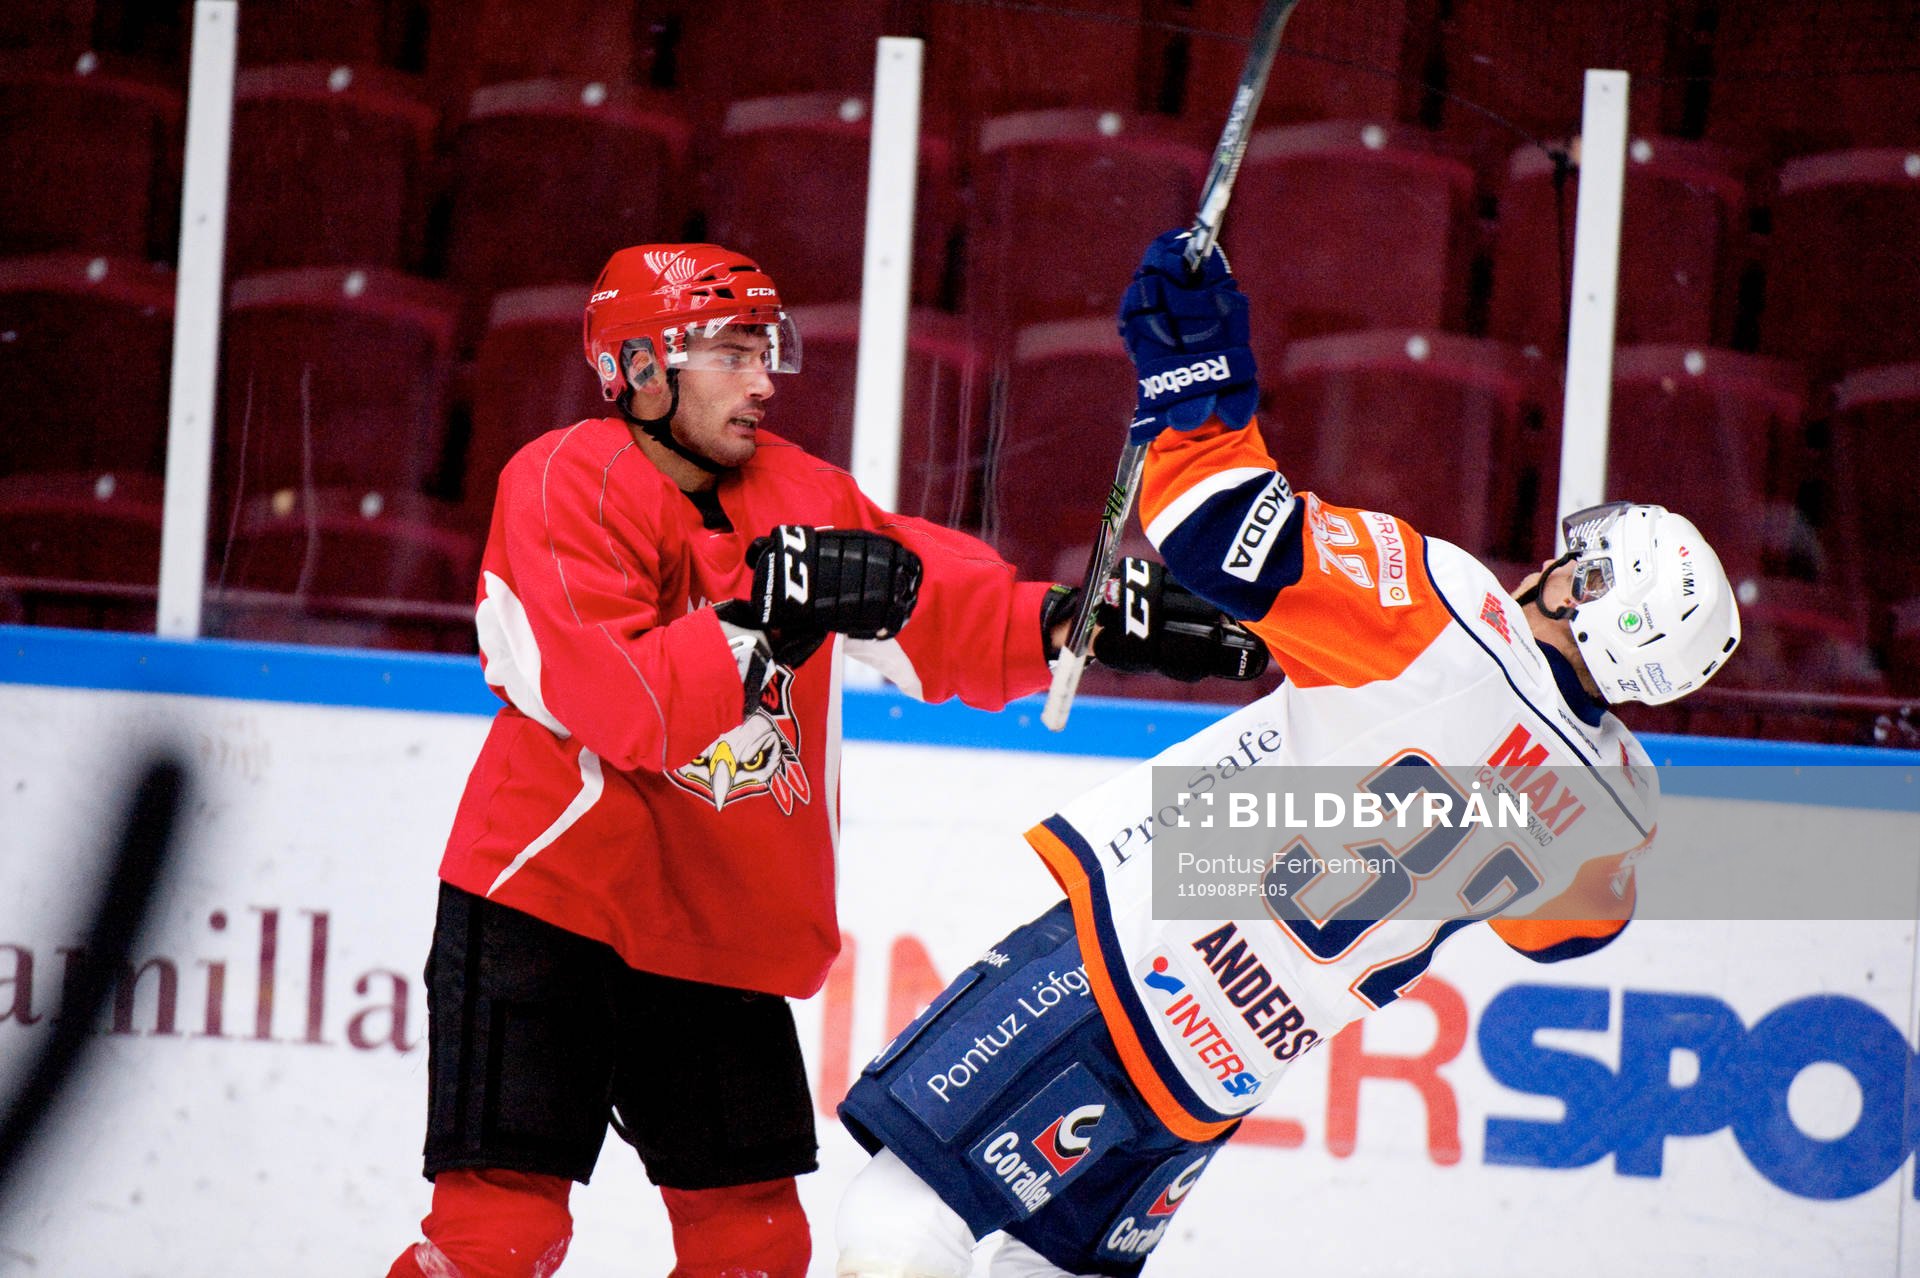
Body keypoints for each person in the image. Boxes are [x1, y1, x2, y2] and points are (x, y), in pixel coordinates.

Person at [831, 229, 1745, 1278]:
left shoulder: (1446, 616)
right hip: (1221, 1075)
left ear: (1595, 596)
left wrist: (1199, 374)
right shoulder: (1612, 804)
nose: (1556, 563)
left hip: (1119, 975)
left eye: (1586, 566)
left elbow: (1218, 531)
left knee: (899, 1222)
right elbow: (1562, 936)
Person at [383, 243, 1267, 1278]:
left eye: (766, 351)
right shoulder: (561, 483)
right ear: (640, 368)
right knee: (499, 1236)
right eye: (730, 353)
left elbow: (936, 603)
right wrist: (770, 614)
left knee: (754, 1248)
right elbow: (621, 706)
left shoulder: (798, 489)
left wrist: (1078, 622)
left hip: (711, 926)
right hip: (549, 906)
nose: (763, 380)